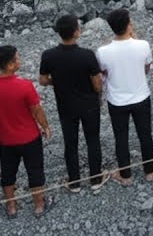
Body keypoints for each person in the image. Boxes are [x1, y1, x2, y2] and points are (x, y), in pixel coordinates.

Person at [0, 45, 50, 217]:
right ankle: (39, 204)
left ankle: (11, 206)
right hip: (29, 137)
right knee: (35, 170)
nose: (20, 60)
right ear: (10, 65)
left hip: (6, 139)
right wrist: (45, 126)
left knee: (8, 172)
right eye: (17, 58)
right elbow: (36, 110)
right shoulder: (25, 85)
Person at [38, 14, 105, 192]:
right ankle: (96, 179)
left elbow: (42, 80)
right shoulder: (87, 55)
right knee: (93, 140)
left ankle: (74, 181)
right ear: (76, 32)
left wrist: (57, 82)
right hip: (89, 105)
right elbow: (97, 84)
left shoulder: (48, 55)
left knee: (70, 143)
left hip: (65, 106)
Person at [96, 8, 153, 184]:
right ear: (129, 25)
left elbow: (103, 72)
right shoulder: (143, 45)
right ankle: (149, 171)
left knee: (121, 138)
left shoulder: (102, 51)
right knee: (145, 134)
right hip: (141, 96)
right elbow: (146, 69)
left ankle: (126, 175)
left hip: (117, 100)